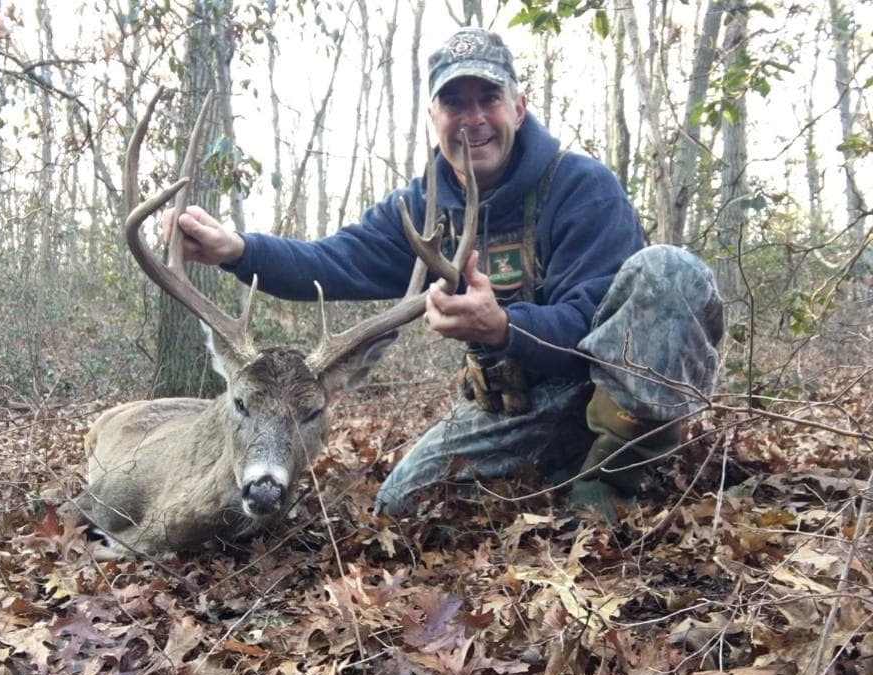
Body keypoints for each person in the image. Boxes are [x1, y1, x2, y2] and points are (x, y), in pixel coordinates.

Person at [169, 28, 724, 522]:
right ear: (434, 117)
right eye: (454, 102)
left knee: (669, 270)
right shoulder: (421, 209)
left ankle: (608, 489)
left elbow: (590, 327)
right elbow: (331, 262)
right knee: (400, 509)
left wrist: (503, 326)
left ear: (519, 107)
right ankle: (560, 470)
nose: (473, 118)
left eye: (489, 98)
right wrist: (237, 250)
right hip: (510, 407)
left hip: (599, 390)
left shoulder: (581, 187)